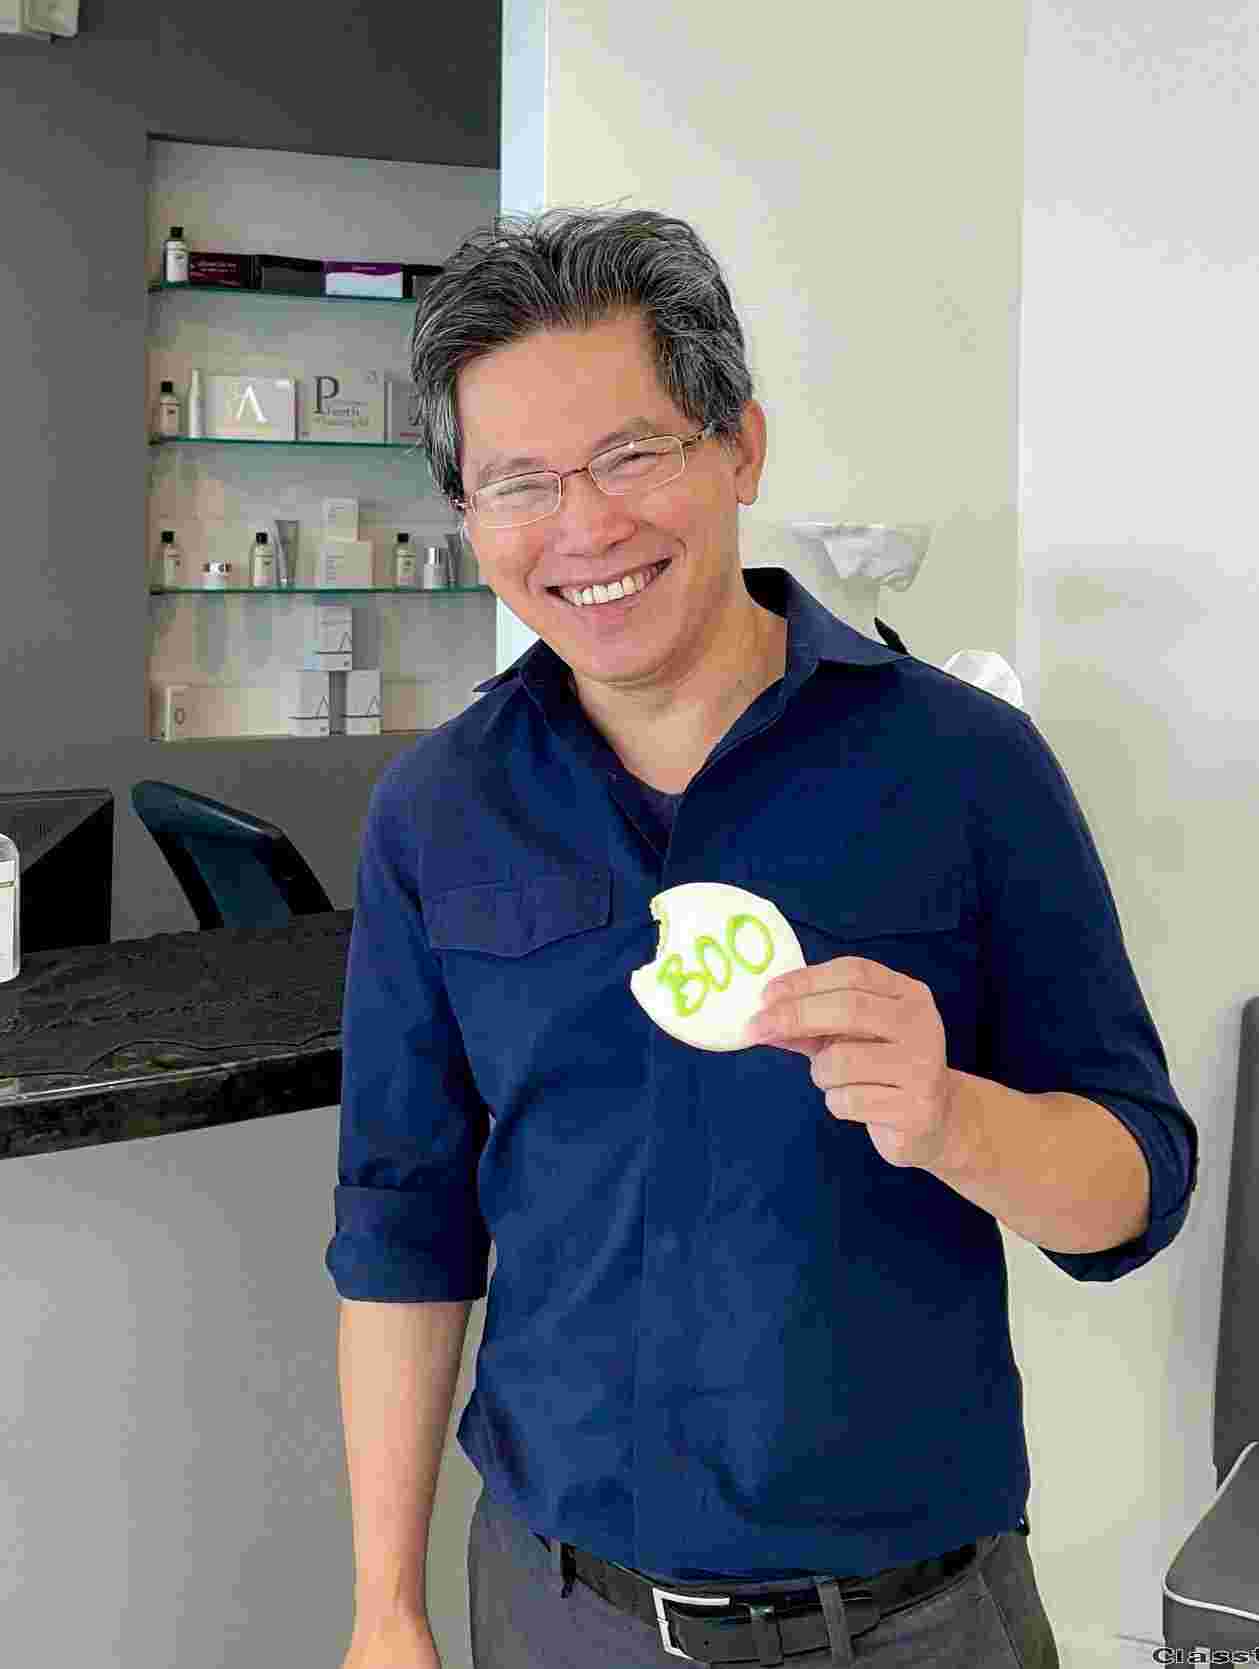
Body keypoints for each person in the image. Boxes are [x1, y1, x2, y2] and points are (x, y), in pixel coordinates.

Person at [327, 207, 1199, 1669]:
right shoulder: (438, 812)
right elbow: (403, 1233)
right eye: (519, 482)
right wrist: (384, 1608)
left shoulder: (965, 769)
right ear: (469, 516)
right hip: (556, 1612)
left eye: (631, 454)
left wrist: (951, 1116)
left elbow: (1135, 1188)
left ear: (741, 446)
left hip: (914, 1623)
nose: (584, 528)